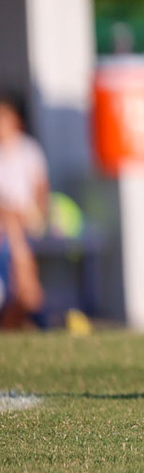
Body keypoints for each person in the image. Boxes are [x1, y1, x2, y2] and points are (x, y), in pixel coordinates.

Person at [0, 95, 47, 329]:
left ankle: (26, 295)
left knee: (14, 224)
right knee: (10, 221)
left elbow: (40, 190)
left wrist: (37, 212)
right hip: (6, 219)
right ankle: (28, 289)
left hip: (24, 217)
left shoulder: (28, 149)